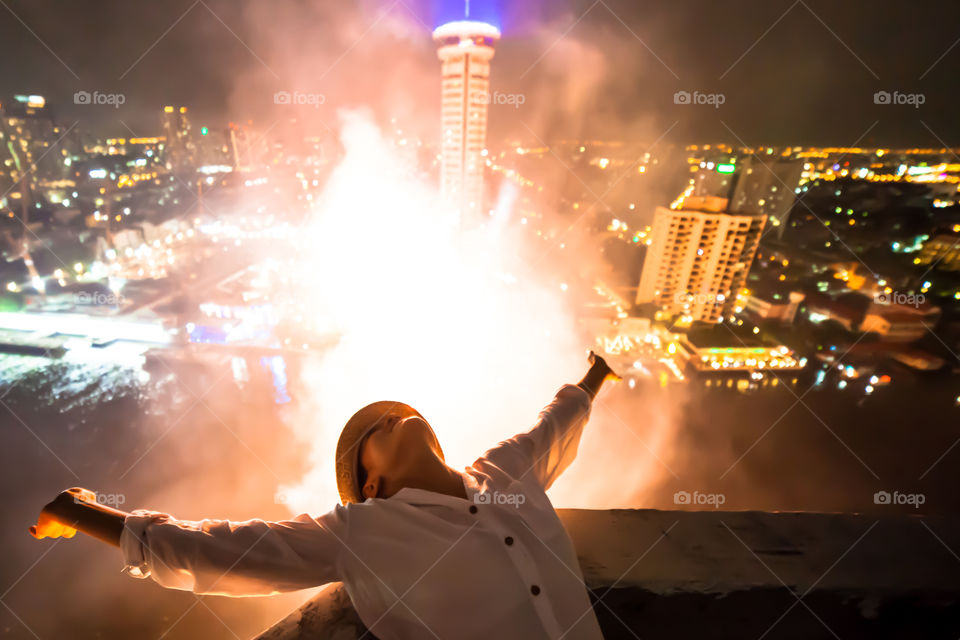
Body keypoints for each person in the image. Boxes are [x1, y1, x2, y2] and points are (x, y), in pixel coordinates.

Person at [31, 351, 620, 639]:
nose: (387, 419)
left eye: (389, 418)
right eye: (369, 433)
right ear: (372, 486)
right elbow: (214, 551)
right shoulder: (359, 533)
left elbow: (557, 423)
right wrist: (81, 512)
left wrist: (597, 373)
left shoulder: (505, 471)